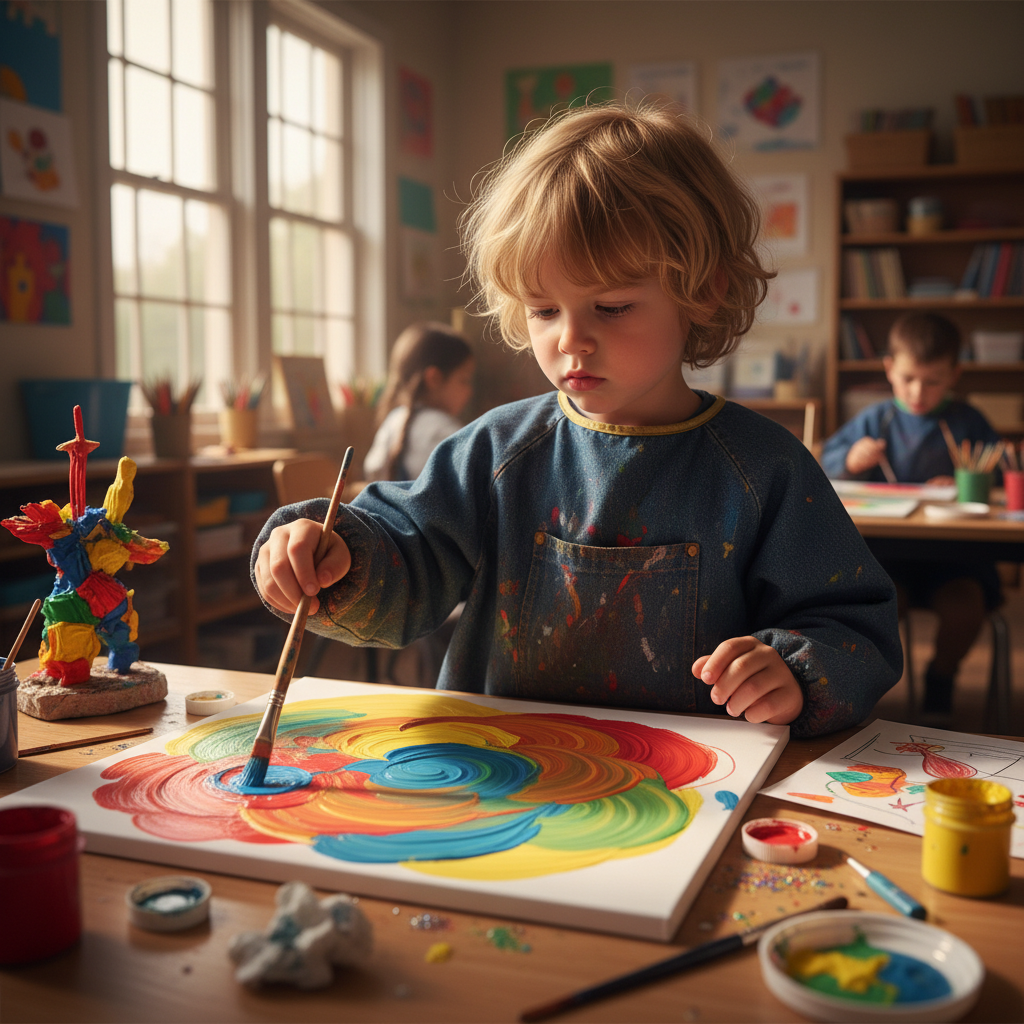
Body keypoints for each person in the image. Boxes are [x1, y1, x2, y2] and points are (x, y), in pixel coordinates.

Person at [252, 103, 901, 738]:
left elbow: (852, 627)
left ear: (704, 290)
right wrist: (333, 557)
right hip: (504, 780)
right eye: (542, 310)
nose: (572, 340)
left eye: (612, 306)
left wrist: (794, 674)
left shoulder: (767, 468)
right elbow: (407, 557)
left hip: (692, 797)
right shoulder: (497, 450)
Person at [822, 311, 1002, 718]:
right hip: (887, 560)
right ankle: (874, 690)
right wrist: (851, 459)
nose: (919, 391)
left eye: (933, 380)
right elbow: (825, 464)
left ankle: (942, 675)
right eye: (908, 379)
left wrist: (966, 480)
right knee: (873, 612)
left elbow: (993, 476)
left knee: (966, 610)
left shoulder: (968, 421)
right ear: (889, 369)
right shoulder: (875, 418)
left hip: (956, 560)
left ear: (954, 374)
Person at [362, 323, 475, 482]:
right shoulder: (445, 431)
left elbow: (372, 472)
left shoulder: (394, 419)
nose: (469, 391)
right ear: (434, 378)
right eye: (464, 380)